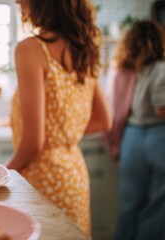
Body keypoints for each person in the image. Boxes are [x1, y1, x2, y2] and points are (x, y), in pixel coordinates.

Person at [6, 0, 112, 236]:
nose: (17, 1)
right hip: (73, 175)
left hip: (41, 178)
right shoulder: (85, 48)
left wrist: (3, 175)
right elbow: (105, 120)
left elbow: (34, 144)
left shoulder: (31, 49)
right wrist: (63, 133)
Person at [105, 20, 165, 240]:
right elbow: (161, 109)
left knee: (129, 203)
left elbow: (114, 108)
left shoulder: (121, 71)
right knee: (159, 202)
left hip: (130, 138)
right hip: (158, 136)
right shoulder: (160, 67)